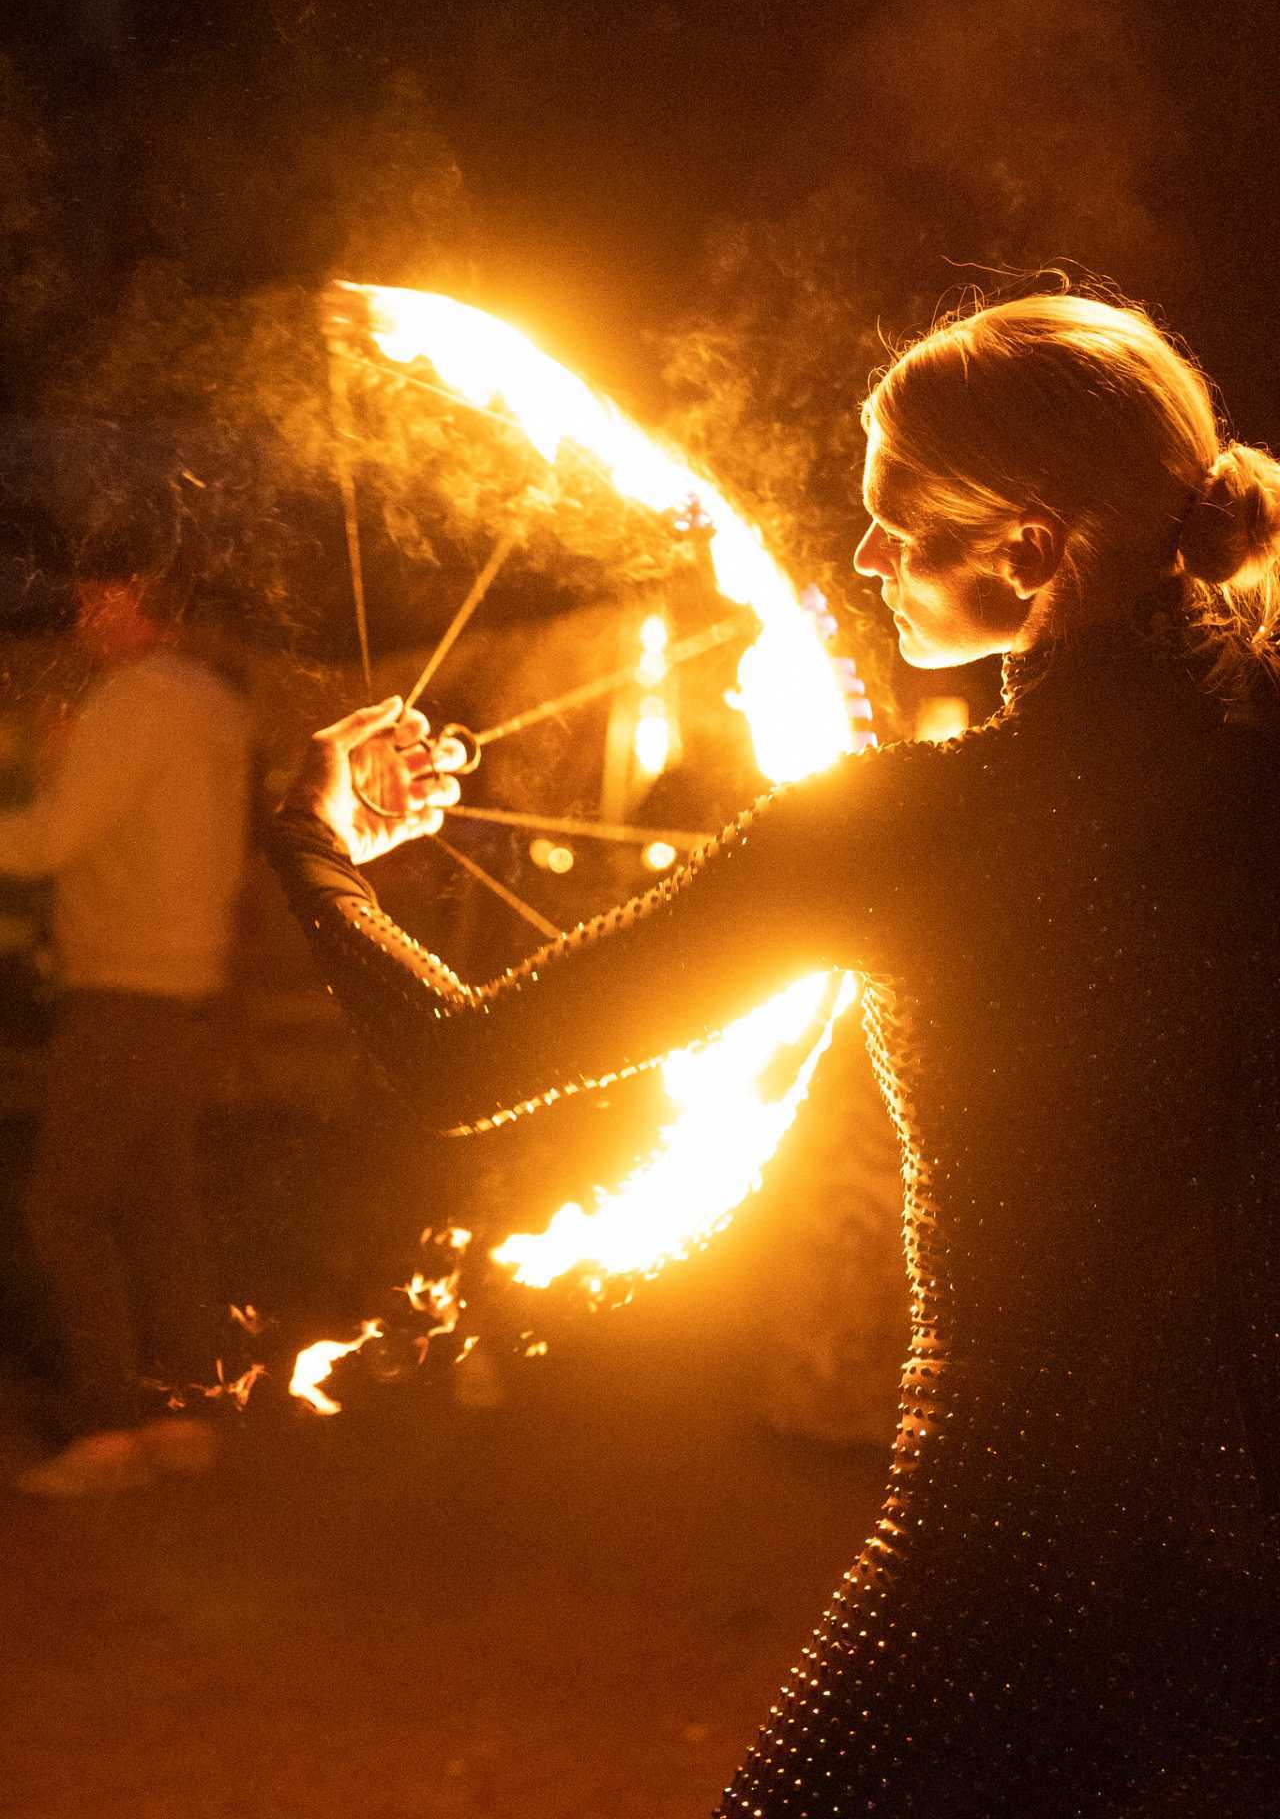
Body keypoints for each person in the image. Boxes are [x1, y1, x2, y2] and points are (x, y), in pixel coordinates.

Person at [267, 291, 1279, 1813]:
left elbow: (461, 1062)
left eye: (898, 523)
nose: (864, 558)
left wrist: (313, 842)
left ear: (1029, 547)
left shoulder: (910, 830)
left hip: (1009, 1557)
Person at [0, 553, 254, 1496]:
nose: (79, 618)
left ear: (147, 602)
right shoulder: (215, 705)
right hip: (189, 991)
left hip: (125, 993)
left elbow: (53, 842)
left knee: (63, 1208)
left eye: (98, 598)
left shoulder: (134, 701)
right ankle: (185, 1417)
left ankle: (108, 1430)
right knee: (158, 1211)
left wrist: (40, 803)